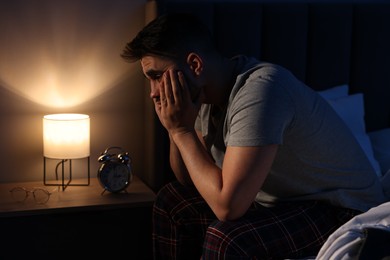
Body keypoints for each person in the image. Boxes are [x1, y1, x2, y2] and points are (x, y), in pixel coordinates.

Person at [121, 13, 386, 259]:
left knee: (226, 238)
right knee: (172, 200)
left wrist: (182, 130)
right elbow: (188, 181)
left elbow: (228, 207)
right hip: (284, 204)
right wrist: (175, 129)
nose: (154, 92)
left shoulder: (261, 91)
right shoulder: (206, 94)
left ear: (194, 65)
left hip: (340, 208)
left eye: (157, 76)